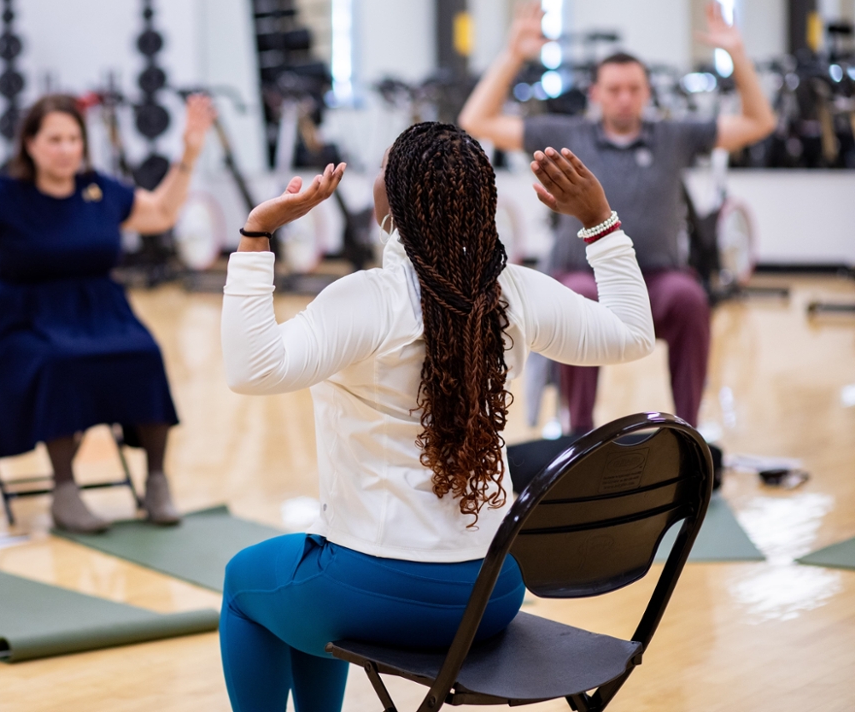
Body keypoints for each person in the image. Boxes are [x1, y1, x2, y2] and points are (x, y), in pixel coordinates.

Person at [219, 122, 656, 712]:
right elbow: (633, 334)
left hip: (378, 592)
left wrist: (257, 233)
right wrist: (599, 220)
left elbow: (251, 369)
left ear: (395, 199)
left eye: (381, 170)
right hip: (492, 595)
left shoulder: (369, 299)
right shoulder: (514, 292)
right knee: (303, 583)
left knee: (246, 587)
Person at [459, 1, 776, 433]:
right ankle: (579, 435)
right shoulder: (567, 134)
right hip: (584, 276)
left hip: (659, 280)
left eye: (633, 88)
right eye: (614, 89)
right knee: (577, 296)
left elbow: (759, 122)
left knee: (689, 298)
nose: (624, 98)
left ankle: (687, 434)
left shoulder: (673, 135)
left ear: (647, 93)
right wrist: (513, 53)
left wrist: (737, 53)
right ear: (596, 93)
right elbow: (475, 119)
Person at [0, 93, 215, 533]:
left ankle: (155, 481)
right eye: (54, 139)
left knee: (144, 352)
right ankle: (64, 491)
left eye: (74, 138)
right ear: (31, 145)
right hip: (24, 319)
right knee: (60, 362)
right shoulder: (6, 198)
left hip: (99, 312)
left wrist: (188, 153)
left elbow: (162, 213)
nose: (66, 148)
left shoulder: (99, 189)